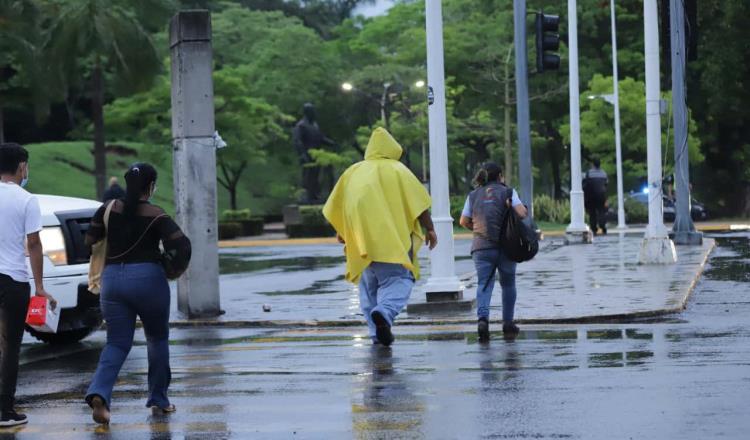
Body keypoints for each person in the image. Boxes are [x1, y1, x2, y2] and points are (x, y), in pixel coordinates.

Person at [84, 163, 191, 424]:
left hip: (112, 281)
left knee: (117, 343)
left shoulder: (108, 208)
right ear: (151, 187)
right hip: (148, 279)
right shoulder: (156, 215)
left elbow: (90, 240)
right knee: (156, 338)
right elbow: (182, 245)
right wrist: (172, 268)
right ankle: (159, 399)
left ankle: (100, 393)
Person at [323, 128, 437, 347]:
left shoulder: (353, 171)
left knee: (369, 288)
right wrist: (430, 229)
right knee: (399, 280)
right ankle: (384, 313)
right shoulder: (398, 170)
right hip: (390, 241)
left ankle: (376, 334)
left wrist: (342, 231)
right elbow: (419, 205)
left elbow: (339, 206)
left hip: (360, 242)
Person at [0, 143, 57, 428]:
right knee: (9, 347)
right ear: (22, 166)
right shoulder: (26, 199)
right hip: (12, 280)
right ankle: (5, 411)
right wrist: (40, 286)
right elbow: (33, 243)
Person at [459, 162, 527, 341]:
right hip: (506, 247)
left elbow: (463, 221)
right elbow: (521, 213)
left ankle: (483, 320)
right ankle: (508, 323)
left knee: (484, 283)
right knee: (508, 284)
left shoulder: (473, 195)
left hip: (481, 247)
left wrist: (479, 231)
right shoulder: (508, 192)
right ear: (500, 176)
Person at [292, 103, 336, 204]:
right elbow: (297, 141)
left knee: (315, 176)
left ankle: (314, 195)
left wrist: (331, 143)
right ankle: (306, 196)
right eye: (312, 111)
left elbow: (320, 138)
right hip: (307, 155)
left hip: (317, 155)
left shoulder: (315, 125)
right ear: (307, 112)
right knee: (307, 176)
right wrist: (302, 154)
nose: (314, 113)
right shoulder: (301, 125)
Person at [583, 158, 608, 235]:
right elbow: (606, 184)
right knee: (601, 211)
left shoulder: (589, 173)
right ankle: (602, 225)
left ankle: (594, 228)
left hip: (591, 196)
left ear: (593, 164)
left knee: (592, 213)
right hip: (601, 195)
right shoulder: (604, 173)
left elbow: (585, 184)